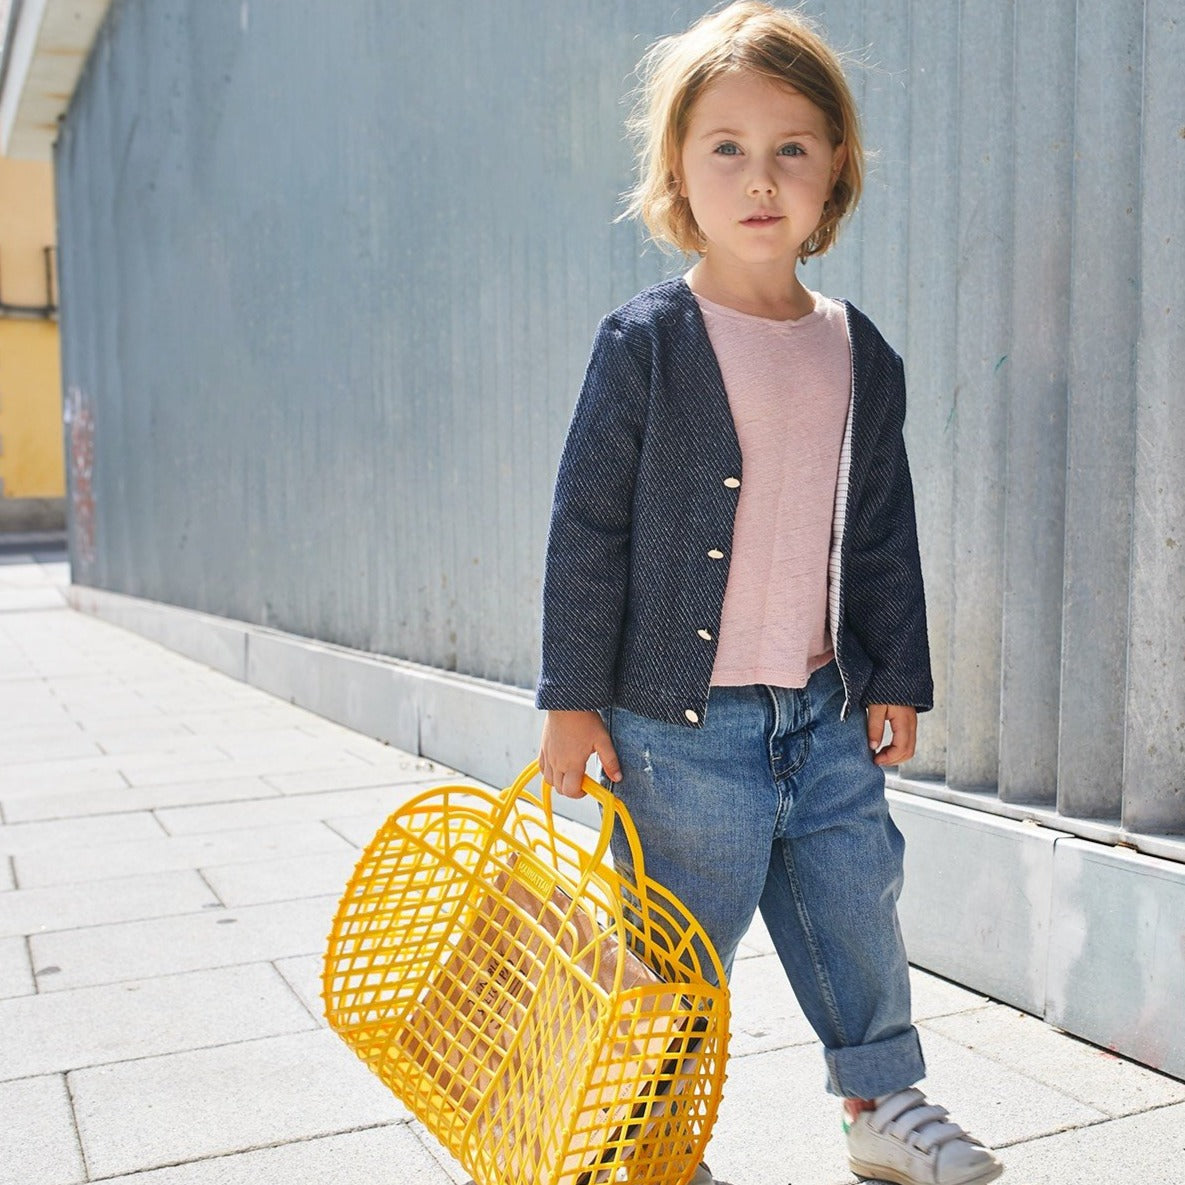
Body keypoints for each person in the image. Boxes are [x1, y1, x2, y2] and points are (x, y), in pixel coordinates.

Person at [535, 3, 1003, 1184]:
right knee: (677, 945)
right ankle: (647, 1138)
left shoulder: (860, 349)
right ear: (680, 174)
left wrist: (897, 675)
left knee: (857, 911)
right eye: (725, 148)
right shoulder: (646, 340)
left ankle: (883, 1107)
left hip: (827, 711)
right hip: (674, 730)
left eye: (791, 147)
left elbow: (883, 531)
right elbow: (586, 529)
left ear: (835, 165)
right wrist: (571, 700)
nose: (760, 178)